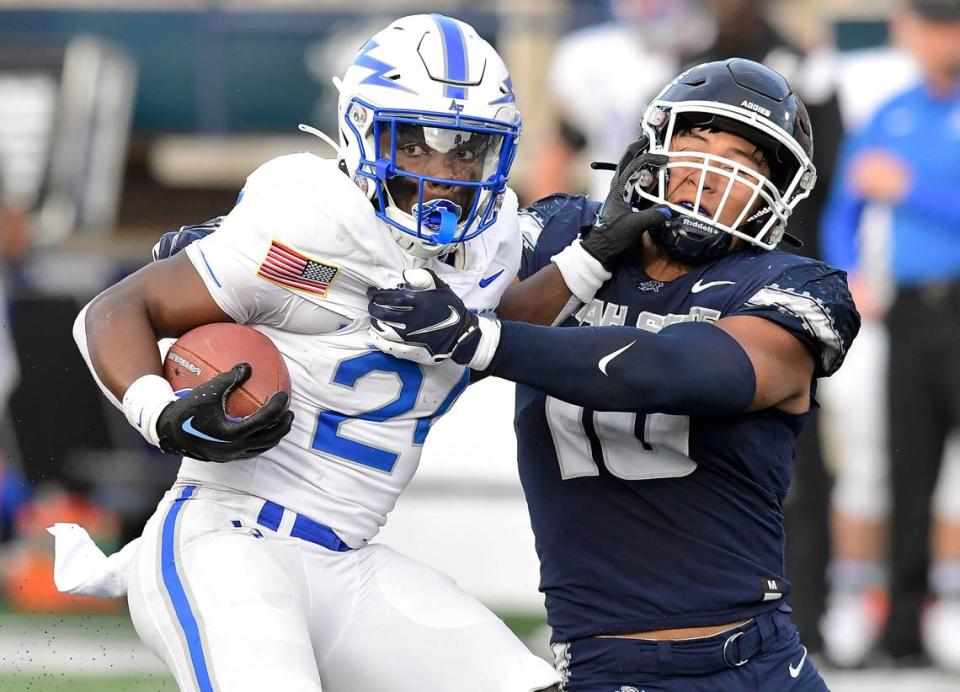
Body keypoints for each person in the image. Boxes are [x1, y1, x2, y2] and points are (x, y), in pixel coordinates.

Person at [56, 14, 560, 692]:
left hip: (345, 561)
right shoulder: (307, 222)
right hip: (225, 543)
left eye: (467, 149)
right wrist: (159, 414)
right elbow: (115, 310)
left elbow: (528, 322)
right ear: (361, 132)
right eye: (414, 145)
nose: (444, 174)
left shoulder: (496, 241)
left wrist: (594, 252)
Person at [366, 58, 860, 690]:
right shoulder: (565, 233)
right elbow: (439, 314)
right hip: (604, 661)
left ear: (779, 191)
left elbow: (677, 369)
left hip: (755, 661)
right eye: (696, 143)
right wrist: (588, 257)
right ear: (651, 148)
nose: (709, 175)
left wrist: (481, 338)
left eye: (744, 161)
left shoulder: (796, 287)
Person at [821, 0, 960, 669]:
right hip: (910, 314)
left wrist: (910, 188)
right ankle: (902, 627)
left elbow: (891, 186)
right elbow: (845, 207)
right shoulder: (893, 111)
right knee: (908, 470)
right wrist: (849, 269)